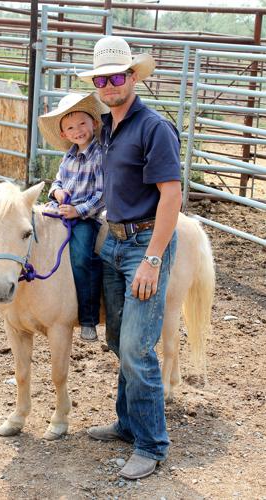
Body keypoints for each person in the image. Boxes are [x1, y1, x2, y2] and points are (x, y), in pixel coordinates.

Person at [78, 36, 182, 479]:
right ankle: (126, 423)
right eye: (101, 78)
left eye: (117, 76)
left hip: (143, 245)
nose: (108, 84)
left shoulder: (153, 127)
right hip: (114, 241)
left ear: (133, 77)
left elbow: (172, 195)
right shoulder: (112, 126)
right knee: (120, 343)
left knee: (138, 349)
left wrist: (153, 259)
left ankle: (152, 444)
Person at [38, 92, 108, 342]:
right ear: (64, 134)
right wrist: (57, 191)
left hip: (85, 218)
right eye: (70, 127)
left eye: (82, 124)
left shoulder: (99, 156)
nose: (77, 130)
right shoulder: (68, 155)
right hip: (62, 212)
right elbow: (57, 180)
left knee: (81, 258)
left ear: (94, 124)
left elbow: (102, 195)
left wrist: (78, 210)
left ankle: (88, 318)